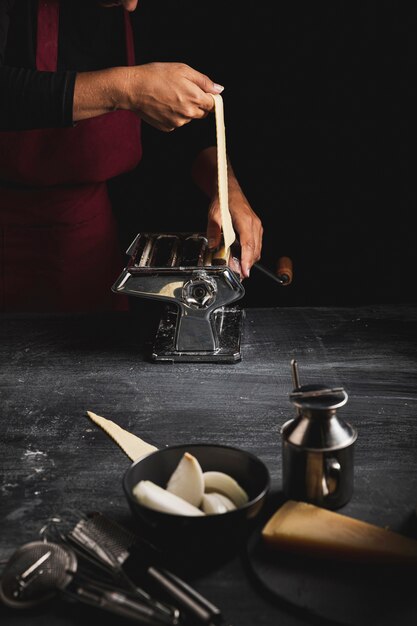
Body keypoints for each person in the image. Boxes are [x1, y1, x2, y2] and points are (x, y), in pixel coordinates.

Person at [0, 0, 263, 312]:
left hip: (83, 236)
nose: (132, 3)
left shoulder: (145, 13)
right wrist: (123, 89)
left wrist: (226, 189)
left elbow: (188, 130)